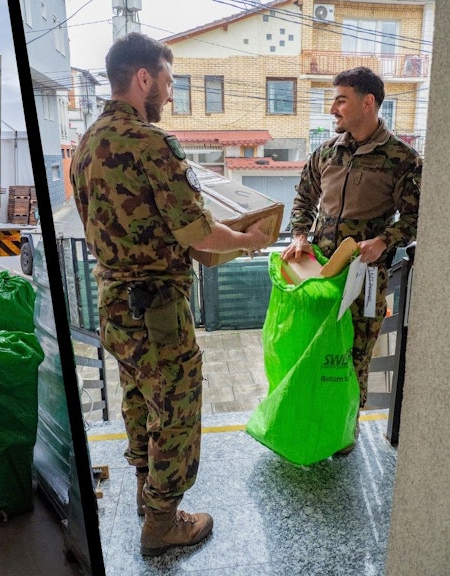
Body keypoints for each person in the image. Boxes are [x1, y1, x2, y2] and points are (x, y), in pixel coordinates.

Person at [70, 32, 272, 557]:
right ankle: (162, 523)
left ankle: (145, 492)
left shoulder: (87, 144)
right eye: (168, 80)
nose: (170, 91)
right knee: (177, 406)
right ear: (144, 78)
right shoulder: (152, 143)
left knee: (139, 397)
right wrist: (248, 240)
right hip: (156, 305)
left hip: (114, 302)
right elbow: (197, 232)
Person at [281, 66, 422, 454]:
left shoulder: (402, 159)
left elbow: (416, 216)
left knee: (355, 354)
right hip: (321, 273)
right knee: (314, 347)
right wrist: (299, 235)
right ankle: (313, 416)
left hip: (365, 277)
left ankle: (344, 430)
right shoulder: (327, 151)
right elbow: (304, 196)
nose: (333, 109)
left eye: (341, 100)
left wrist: (384, 240)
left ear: (368, 102)